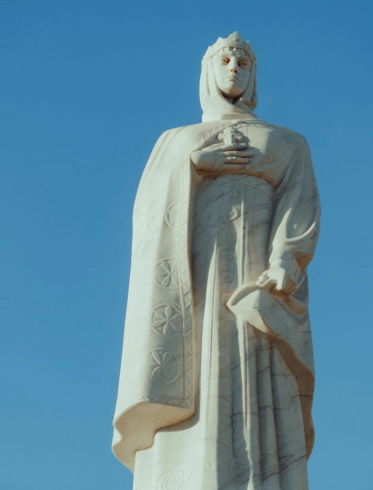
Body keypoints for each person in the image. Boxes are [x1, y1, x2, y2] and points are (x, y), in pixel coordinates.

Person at [112, 32, 320, 490]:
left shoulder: (286, 142)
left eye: (243, 61)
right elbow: (148, 212)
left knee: (259, 377)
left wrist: (284, 260)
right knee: (198, 375)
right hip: (195, 281)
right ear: (208, 71)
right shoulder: (176, 140)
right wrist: (192, 163)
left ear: (253, 74)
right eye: (224, 60)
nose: (234, 68)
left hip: (258, 281)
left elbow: (300, 203)